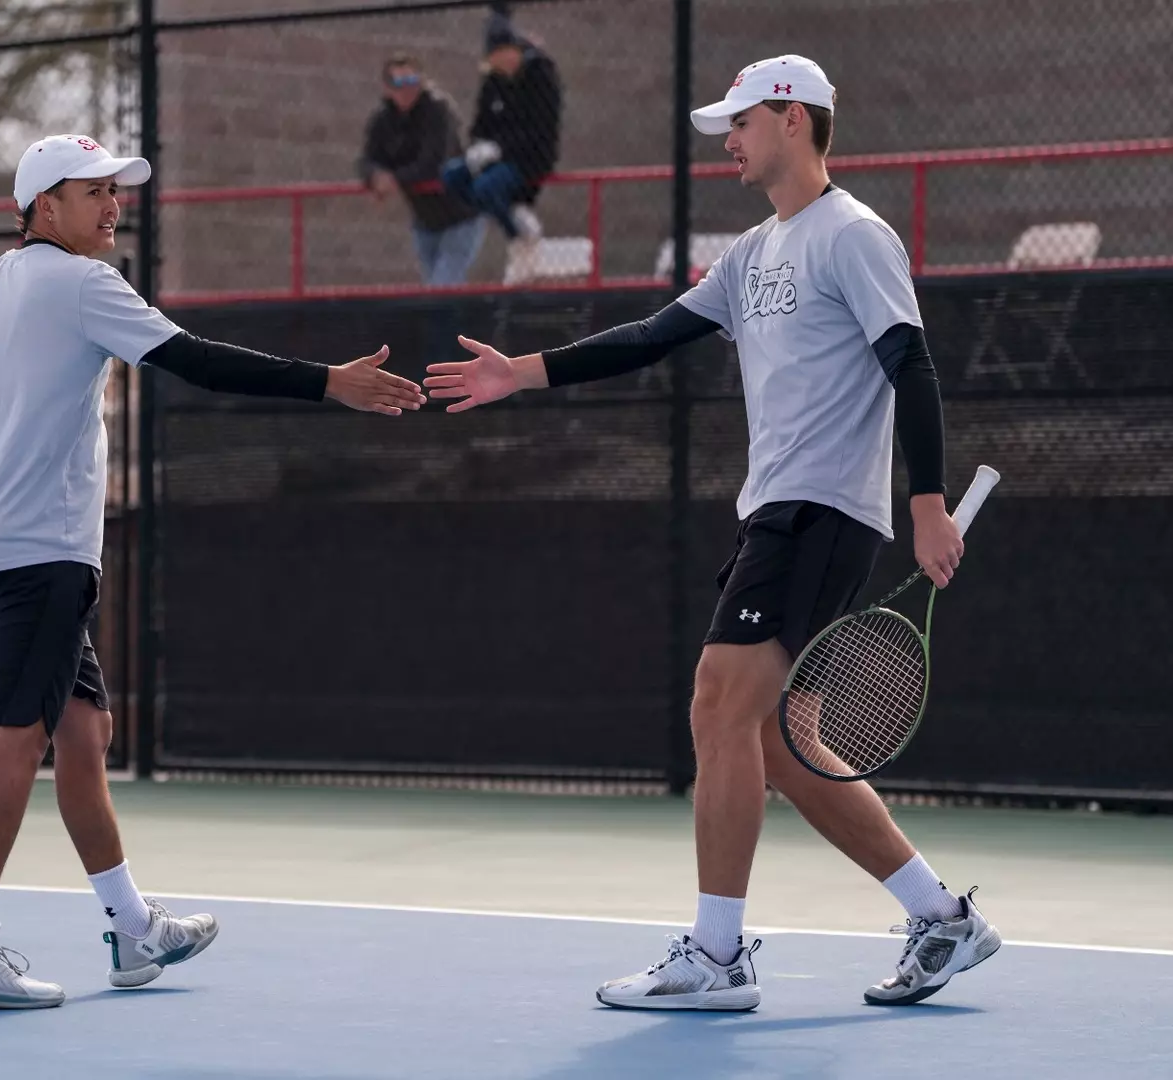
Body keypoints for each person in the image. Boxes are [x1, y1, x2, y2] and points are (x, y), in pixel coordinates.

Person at [423, 56, 1001, 1011]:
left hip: (819, 512)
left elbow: (915, 365)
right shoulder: (750, 254)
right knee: (778, 742)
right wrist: (519, 373)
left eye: (739, 122)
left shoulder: (854, 236)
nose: (727, 140)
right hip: (771, 510)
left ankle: (717, 957)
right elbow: (651, 335)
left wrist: (926, 503)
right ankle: (941, 918)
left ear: (791, 118)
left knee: (716, 704)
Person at [0, 133, 425, 1009]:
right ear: (45, 206)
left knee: (84, 735)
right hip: (41, 556)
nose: (114, 207)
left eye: (117, 192)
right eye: (94, 193)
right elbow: (193, 359)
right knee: (16, 742)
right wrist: (327, 384)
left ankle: (132, 927)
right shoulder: (85, 285)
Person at [441, 13, 561, 284]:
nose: (500, 64)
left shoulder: (540, 77)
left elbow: (540, 130)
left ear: (514, 50)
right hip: (494, 159)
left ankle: (518, 236)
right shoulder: (493, 81)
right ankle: (512, 213)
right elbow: (480, 125)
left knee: (487, 187)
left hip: (529, 158)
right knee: (452, 177)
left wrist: (498, 148)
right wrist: (477, 148)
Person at [358, 53, 485, 286]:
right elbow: (367, 160)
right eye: (399, 83)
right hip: (426, 221)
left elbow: (433, 163)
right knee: (437, 290)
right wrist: (375, 177)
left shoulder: (437, 109)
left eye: (412, 81)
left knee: (442, 289)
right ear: (387, 88)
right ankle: (464, 322)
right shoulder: (383, 119)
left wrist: (393, 179)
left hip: (462, 214)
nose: (407, 89)